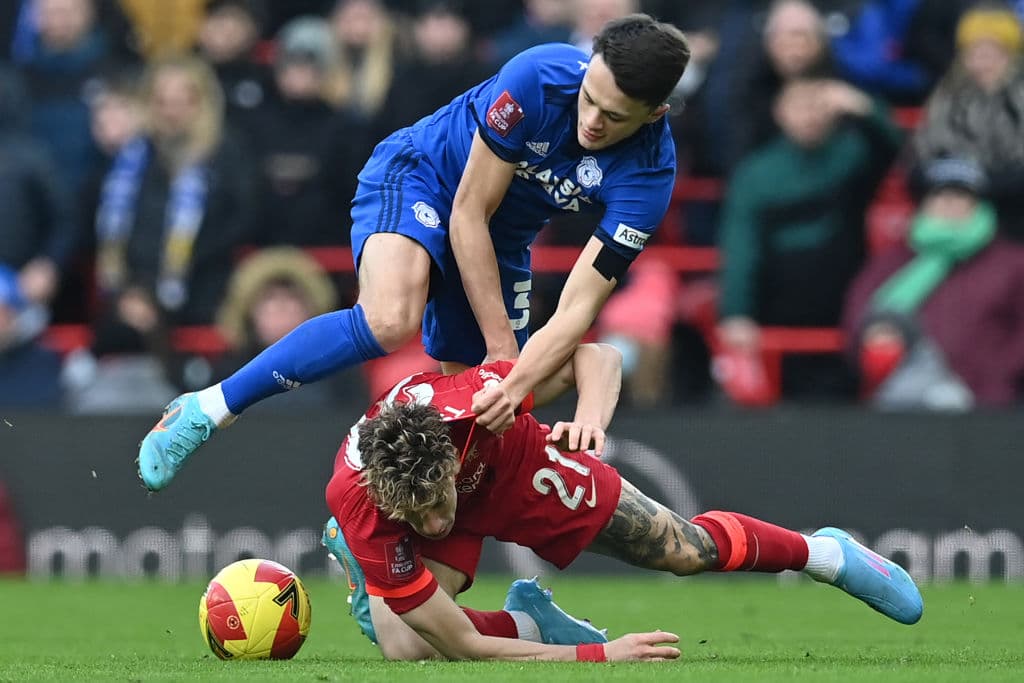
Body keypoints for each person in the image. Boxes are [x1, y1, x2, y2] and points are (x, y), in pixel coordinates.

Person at [137, 14, 690, 491]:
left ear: (656, 112)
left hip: (501, 240)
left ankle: (373, 540)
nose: (591, 121)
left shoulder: (649, 180)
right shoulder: (539, 75)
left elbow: (577, 307)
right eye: (589, 99)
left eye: (613, 117)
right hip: (422, 177)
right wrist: (502, 355)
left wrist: (510, 380)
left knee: (486, 414)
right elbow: (468, 209)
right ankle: (207, 408)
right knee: (391, 318)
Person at [320, 343, 923, 662]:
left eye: (433, 505)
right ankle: (535, 623)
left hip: (520, 469)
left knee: (685, 551)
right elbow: (464, 645)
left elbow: (596, 356)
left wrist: (588, 422)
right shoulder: (365, 500)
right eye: (415, 517)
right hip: (411, 498)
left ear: (451, 459)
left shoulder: (479, 402)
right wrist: (600, 655)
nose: (432, 525)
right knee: (407, 645)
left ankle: (825, 555)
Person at [842, 157, 1024, 409]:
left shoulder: (1013, 263)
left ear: (979, 205)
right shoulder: (893, 261)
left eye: (960, 197)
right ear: (924, 205)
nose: (949, 205)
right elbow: (859, 317)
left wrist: (995, 373)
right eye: (940, 197)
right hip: (903, 400)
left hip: (991, 404)